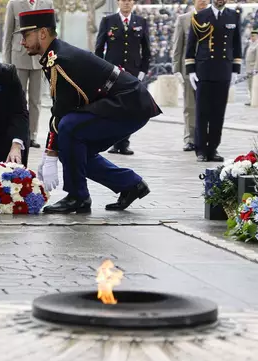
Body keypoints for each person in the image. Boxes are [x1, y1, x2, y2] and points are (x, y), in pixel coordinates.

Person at [17, 9, 161, 214]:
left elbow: (62, 112)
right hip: (121, 102)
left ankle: (78, 196)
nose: (22, 42)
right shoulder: (54, 56)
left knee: (69, 128)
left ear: (42, 33)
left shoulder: (60, 59)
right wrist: (53, 151)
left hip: (129, 103)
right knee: (74, 148)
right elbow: (63, 107)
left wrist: (50, 154)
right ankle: (131, 185)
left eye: (25, 36)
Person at [185, 0, 242, 163]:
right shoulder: (200, 16)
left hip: (224, 70)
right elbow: (191, 44)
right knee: (203, 112)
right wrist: (191, 70)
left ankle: (213, 148)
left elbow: (236, 43)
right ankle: (201, 149)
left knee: (218, 113)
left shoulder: (233, 16)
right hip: (204, 69)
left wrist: (235, 69)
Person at [95, 0, 151, 156]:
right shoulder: (108, 21)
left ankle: (124, 143)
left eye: (129, 1)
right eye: (123, 0)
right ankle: (114, 142)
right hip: (113, 71)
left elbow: (146, 49)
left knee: (130, 108)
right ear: (118, 3)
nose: (126, 3)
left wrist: (143, 71)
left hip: (132, 71)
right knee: (114, 107)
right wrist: (100, 69)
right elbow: (99, 47)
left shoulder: (140, 21)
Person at [3, 0, 54, 149]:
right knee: (17, 98)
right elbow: (8, 34)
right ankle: (17, 133)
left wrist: (51, 56)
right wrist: (7, 63)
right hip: (18, 58)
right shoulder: (14, 3)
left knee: (36, 100)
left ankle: (32, 135)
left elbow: (51, 32)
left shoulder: (47, 3)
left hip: (40, 58)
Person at [172, 0, 209, 152]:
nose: (203, 2)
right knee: (190, 106)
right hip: (188, 68)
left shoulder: (213, 18)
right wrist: (176, 69)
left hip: (208, 69)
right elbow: (177, 45)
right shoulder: (184, 19)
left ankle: (204, 138)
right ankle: (190, 139)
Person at [244, 29, 258, 106]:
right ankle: (252, 100)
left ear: (257, 36)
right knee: (250, 86)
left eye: (253, 36)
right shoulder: (251, 44)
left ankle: (255, 100)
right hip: (249, 68)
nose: (251, 37)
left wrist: (256, 68)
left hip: (253, 68)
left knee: (254, 86)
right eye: (251, 36)